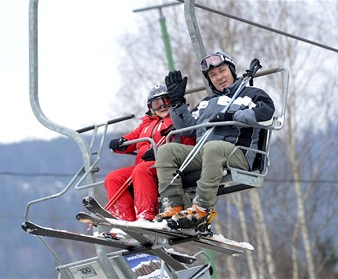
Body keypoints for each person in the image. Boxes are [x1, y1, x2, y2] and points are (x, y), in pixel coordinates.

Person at [154, 51, 275, 230]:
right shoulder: (206, 102)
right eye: (213, 75)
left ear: (232, 71)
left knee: (213, 148)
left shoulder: (251, 94)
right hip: (206, 153)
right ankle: (173, 205)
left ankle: (202, 208)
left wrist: (232, 115)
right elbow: (186, 126)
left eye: (222, 71)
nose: (219, 77)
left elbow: (266, 114)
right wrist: (177, 103)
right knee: (167, 151)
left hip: (237, 153)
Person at [105, 84, 195, 221]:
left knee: (142, 170)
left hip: (168, 166)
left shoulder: (179, 119)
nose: (163, 106)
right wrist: (120, 143)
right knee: (113, 178)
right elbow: (132, 138)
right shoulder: (146, 124)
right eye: (157, 103)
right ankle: (124, 221)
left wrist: (160, 153)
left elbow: (189, 144)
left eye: (167, 101)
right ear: (150, 107)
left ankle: (146, 217)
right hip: (142, 168)